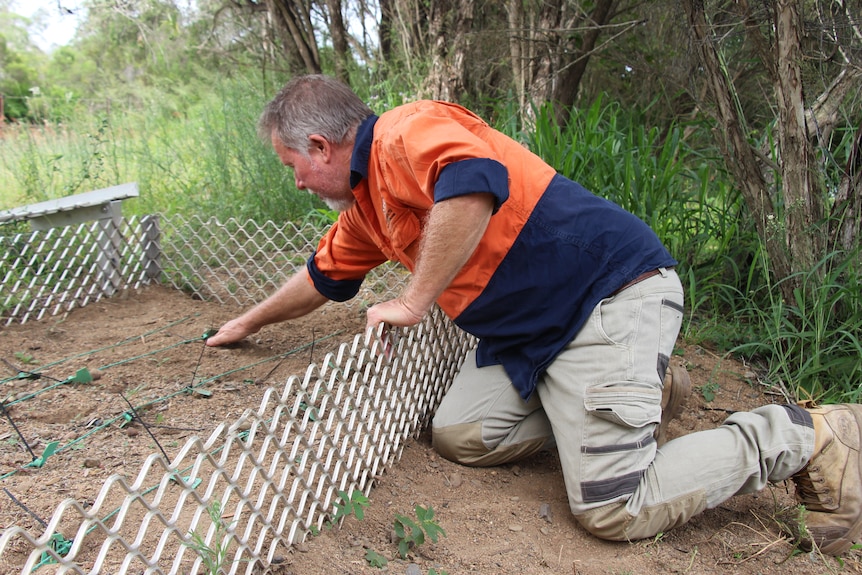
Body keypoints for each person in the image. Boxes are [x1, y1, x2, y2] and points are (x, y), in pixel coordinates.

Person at [206, 74, 862, 555]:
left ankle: (808, 436)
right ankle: (649, 388)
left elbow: (471, 183)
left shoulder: (408, 130)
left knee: (613, 507)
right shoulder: (366, 209)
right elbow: (321, 276)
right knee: (463, 433)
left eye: (291, 164)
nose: (294, 181)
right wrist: (248, 323)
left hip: (609, 294)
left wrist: (413, 300)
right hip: (535, 337)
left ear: (320, 146)